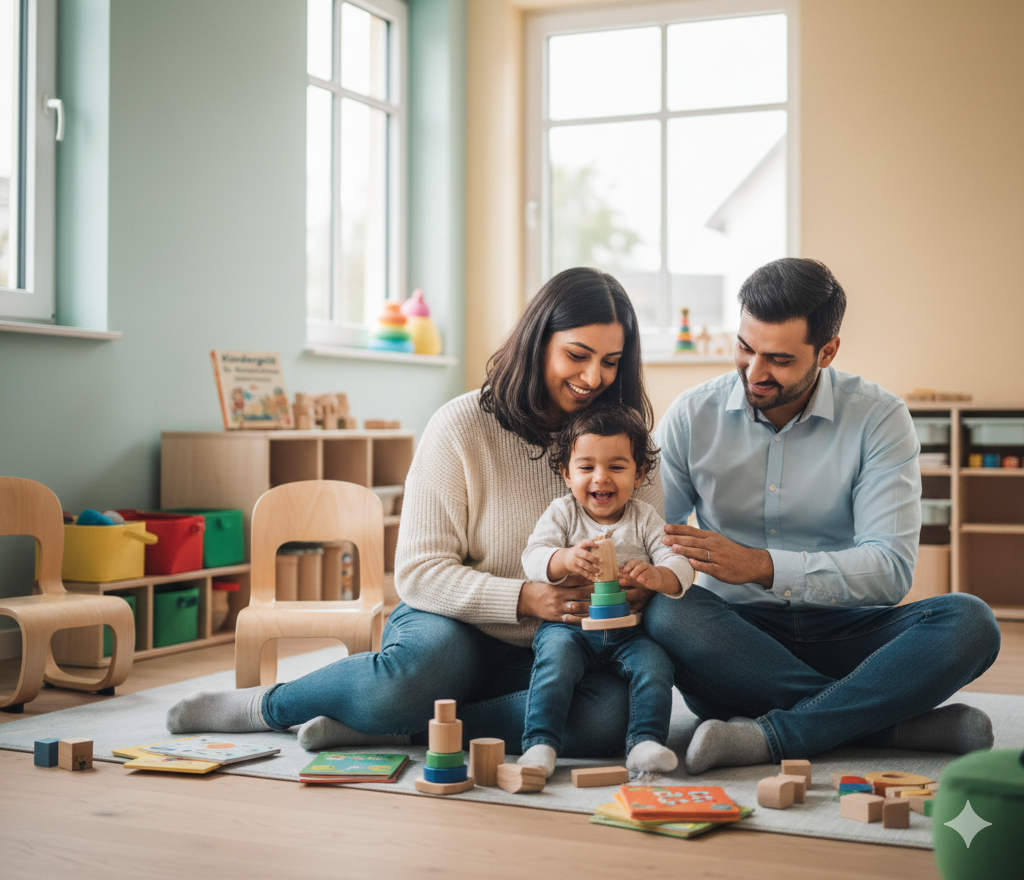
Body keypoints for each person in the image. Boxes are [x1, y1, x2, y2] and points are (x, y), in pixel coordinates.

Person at [167, 267, 663, 756]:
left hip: (563, 643)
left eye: (612, 361)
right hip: (454, 627)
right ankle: (267, 705)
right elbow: (418, 572)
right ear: (538, 343)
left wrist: (640, 583)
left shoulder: (631, 447)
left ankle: (404, 730)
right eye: (577, 355)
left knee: (611, 717)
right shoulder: (462, 425)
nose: (594, 377)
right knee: (404, 684)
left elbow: (648, 551)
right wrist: (527, 597)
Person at [644, 258, 1002, 773]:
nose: (754, 371)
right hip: (738, 641)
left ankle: (778, 733)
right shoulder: (692, 415)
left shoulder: (879, 418)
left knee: (970, 622)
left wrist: (763, 566)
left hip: (850, 635)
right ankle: (885, 723)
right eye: (745, 347)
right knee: (668, 611)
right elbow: (652, 535)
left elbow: (890, 572)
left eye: (780, 359)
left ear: (827, 351)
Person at [517, 403, 694, 778]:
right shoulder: (563, 513)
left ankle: (645, 743)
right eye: (586, 467)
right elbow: (532, 557)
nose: (601, 479)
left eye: (616, 467)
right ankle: (540, 744)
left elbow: (680, 562)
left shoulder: (644, 517)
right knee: (554, 662)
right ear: (566, 473)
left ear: (639, 472)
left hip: (629, 629)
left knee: (656, 664)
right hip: (572, 627)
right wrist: (563, 559)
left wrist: (659, 576)